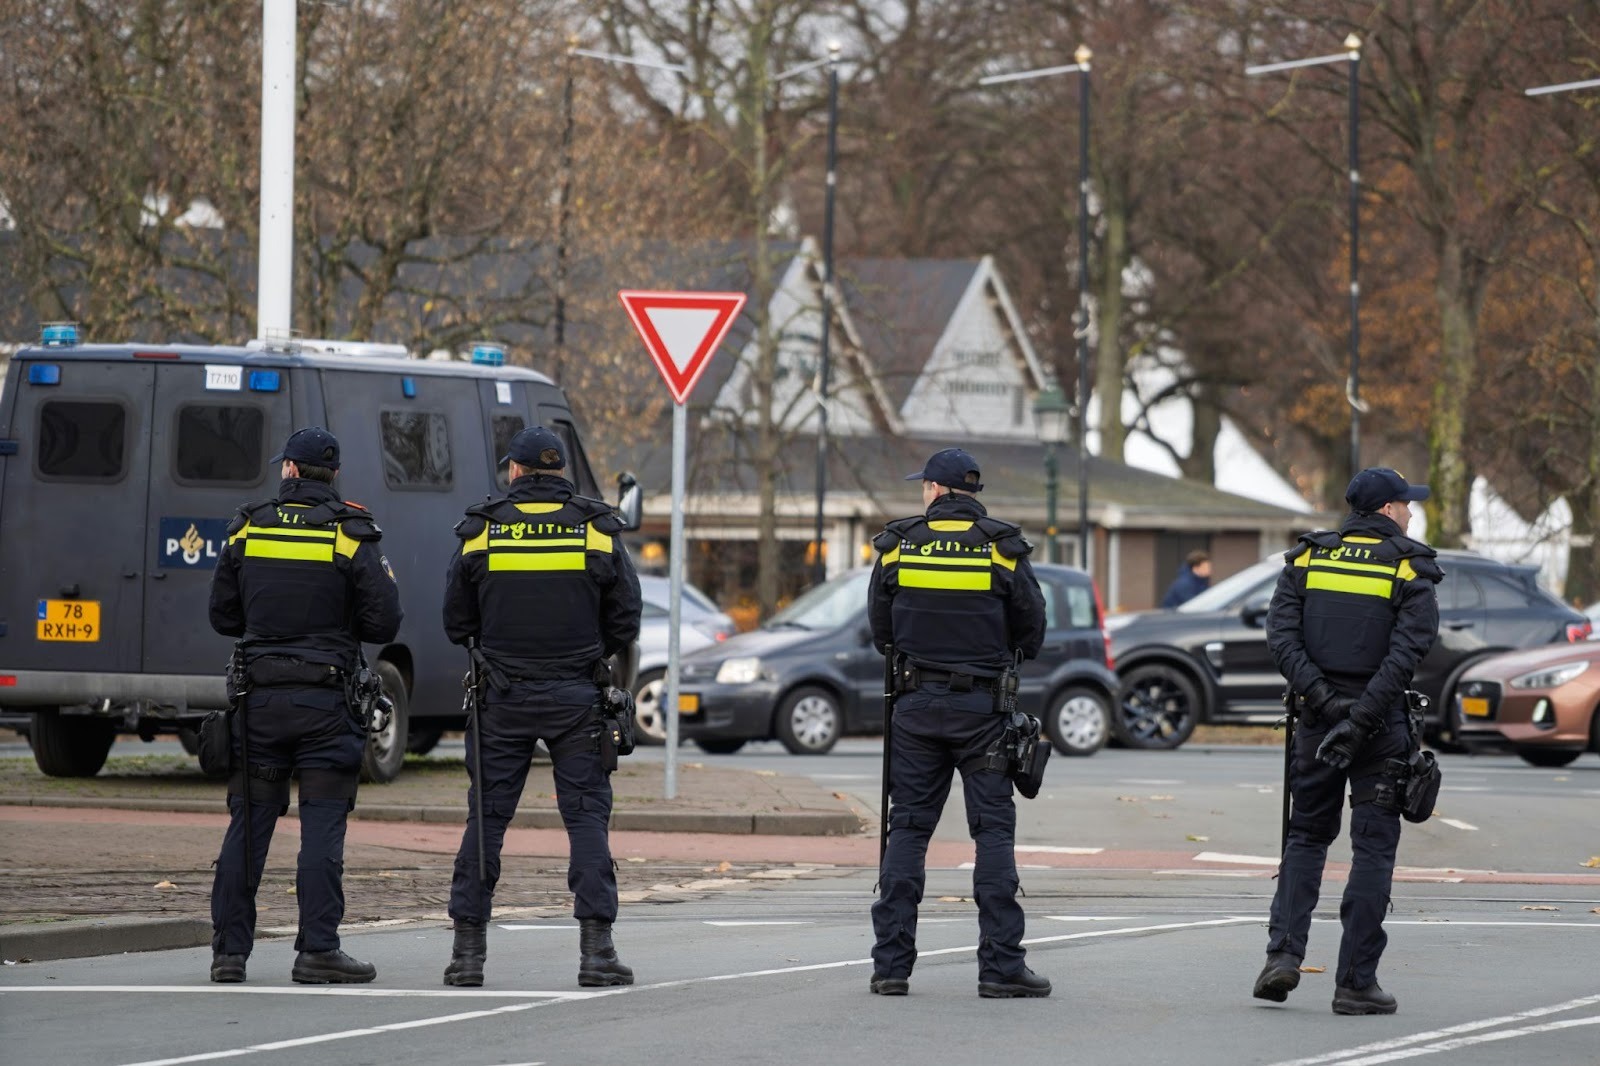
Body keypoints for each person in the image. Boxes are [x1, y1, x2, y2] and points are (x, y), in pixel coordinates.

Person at [440, 425, 642, 988]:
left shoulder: (482, 528)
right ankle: (597, 954)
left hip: (501, 696)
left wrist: (499, 650)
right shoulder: (596, 526)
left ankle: (467, 956)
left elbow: (456, 620)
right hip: (577, 695)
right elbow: (626, 616)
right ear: (560, 471)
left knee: (486, 820)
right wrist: (590, 653)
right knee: (586, 818)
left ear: (515, 470)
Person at [207, 427, 403, 984]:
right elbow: (384, 622)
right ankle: (318, 950)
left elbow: (223, 616)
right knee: (322, 826)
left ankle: (229, 954)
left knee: (248, 825)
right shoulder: (351, 532)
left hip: (259, 701)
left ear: (290, 470)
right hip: (326, 704)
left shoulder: (250, 526)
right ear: (332, 474)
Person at [1253, 467, 1442, 1015]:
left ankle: (1282, 956)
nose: (1410, 512)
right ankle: (1356, 982)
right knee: (1373, 848)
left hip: (1317, 721)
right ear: (1387, 510)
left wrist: (1325, 701)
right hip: (1379, 728)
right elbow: (1407, 654)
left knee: (1306, 838)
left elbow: (1281, 638)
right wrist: (1360, 718)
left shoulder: (1309, 559)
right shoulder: (1408, 565)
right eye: (1406, 504)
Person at [867, 447, 1050, 999]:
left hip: (915, 707)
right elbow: (1032, 631)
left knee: (908, 829)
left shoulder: (898, 545)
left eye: (923, 485)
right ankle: (1000, 967)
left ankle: (891, 966)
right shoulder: (1003, 548)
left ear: (936, 490)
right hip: (983, 712)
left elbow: (880, 631)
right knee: (992, 832)